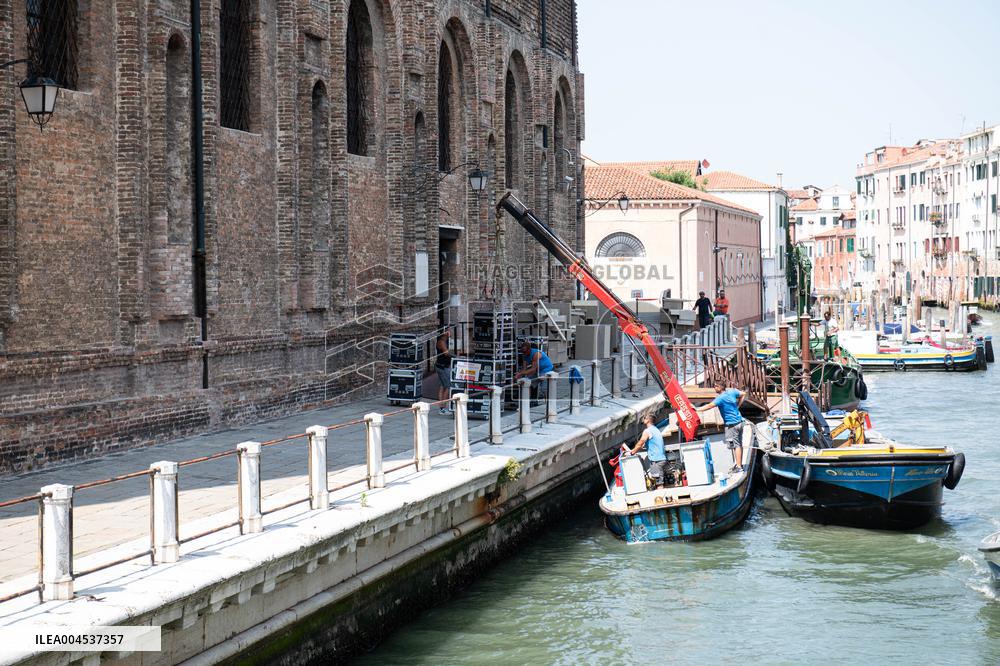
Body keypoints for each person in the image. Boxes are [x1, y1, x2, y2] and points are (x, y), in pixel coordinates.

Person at [695, 380, 747, 473]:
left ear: (719, 387)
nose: (714, 388)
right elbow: (743, 393)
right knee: (739, 444)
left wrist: (697, 410)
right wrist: (738, 405)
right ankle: (738, 464)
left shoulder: (720, 398)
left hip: (732, 425)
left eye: (715, 387)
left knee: (736, 445)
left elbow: (710, 405)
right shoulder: (732, 391)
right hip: (739, 421)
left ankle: (739, 466)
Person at [627, 413, 667, 489]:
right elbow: (652, 443)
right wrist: (641, 447)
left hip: (656, 460)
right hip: (661, 458)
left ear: (648, 420)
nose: (643, 420)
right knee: (657, 480)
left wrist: (633, 451)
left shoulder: (647, 431)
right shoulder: (656, 430)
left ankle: (660, 496)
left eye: (644, 418)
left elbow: (641, 441)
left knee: (659, 484)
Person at [435, 331, 452, 415]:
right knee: (448, 386)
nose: (450, 332)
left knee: (442, 386)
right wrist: (454, 356)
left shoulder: (444, 341)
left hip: (442, 365)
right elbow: (446, 353)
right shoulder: (441, 342)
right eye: (448, 330)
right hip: (442, 366)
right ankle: (443, 408)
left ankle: (441, 407)